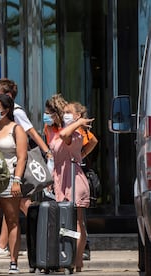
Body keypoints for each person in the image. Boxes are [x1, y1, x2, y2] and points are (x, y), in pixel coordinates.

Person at [0, 78, 52, 257]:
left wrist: (47, 151)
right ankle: (2, 245)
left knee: (23, 203)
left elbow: (31, 131)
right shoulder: (6, 113)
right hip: (13, 165)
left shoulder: (16, 112)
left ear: (8, 95)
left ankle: (46, 234)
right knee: (12, 204)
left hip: (20, 164)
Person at [44, 95, 93, 272]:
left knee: (77, 222)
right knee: (66, 222)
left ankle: (76, 261)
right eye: (63, 112)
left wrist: (78, 124)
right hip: (61, 178)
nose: (64, 115)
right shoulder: (63, 130)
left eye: (68, 113)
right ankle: (71, 259)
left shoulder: (73, 132)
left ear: (77, 116)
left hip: (73, 179)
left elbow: (68, 135)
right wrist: (79, 157)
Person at [0, 94, 28, 274]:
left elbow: (22, 156)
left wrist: (17, 180)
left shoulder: (16, 129)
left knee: (12, 220)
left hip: (10, 179)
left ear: (6, 110)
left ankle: (13, 262)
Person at [70, 101, 99, 261]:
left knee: (79, 215)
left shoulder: (81, 131)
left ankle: (83, 247)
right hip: (70, 173)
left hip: (78, 174)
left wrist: (82, 155)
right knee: (76, 216)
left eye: (70, 112)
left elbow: (93, 141)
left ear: (78, 116)